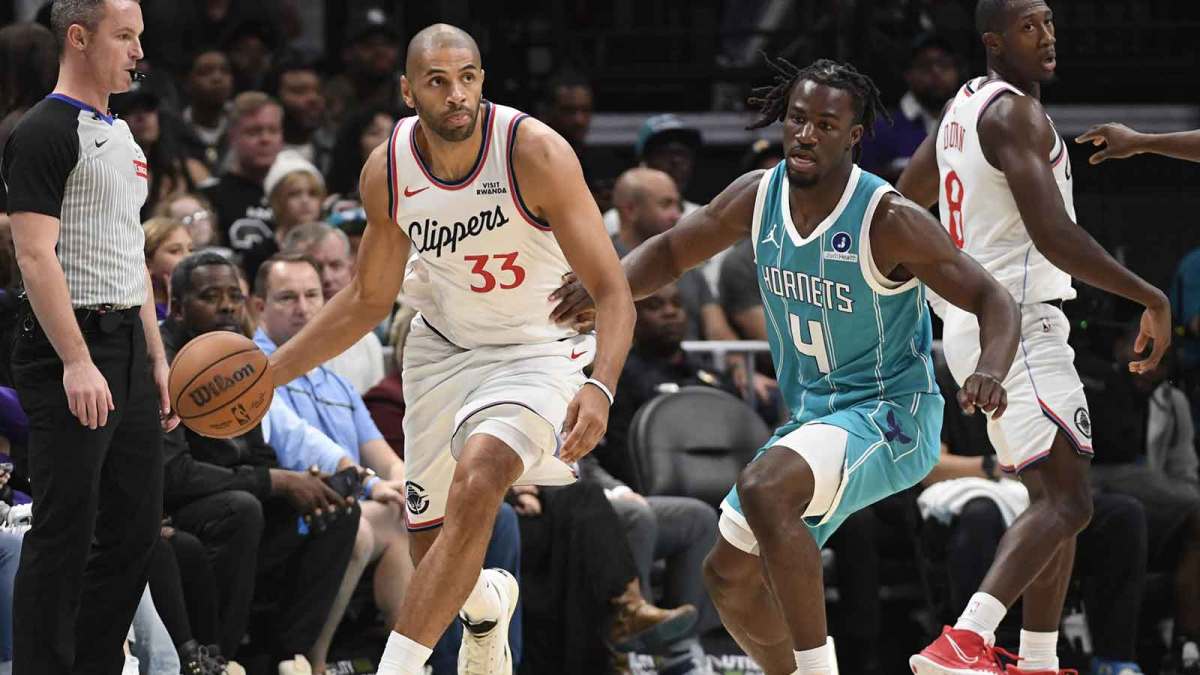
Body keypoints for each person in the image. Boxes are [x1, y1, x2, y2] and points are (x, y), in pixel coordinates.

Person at [551, 56, 1020, 675]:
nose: (806, 133)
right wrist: (605, 283)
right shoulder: (757, 194)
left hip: (889, 414)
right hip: (814, 421)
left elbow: (994, 298)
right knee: (727, 575)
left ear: (854, 137)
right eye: (798, 119)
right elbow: (670, 252)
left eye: (826, 125)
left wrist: (989, 366)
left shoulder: (889, 220)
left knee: (764, 487)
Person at [266, 24, 635, 675]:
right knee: (429, 550)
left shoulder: (536, 153)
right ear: (409, 91)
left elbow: (612, 290)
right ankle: (488, 599)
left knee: (483, 472)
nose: (456, 94)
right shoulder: (388, 170)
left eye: (467, 77)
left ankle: (396, 667)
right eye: (437, 81)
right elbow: (365, 299)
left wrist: (600, 386)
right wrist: (268, 375)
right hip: (441, 349)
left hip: (536, 348)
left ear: (482, 81)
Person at [896, 0, 1173, 672]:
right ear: (994, 41)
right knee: (1068, 498)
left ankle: (1039, 659)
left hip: (973, 325)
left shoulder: (962, 105)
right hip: (1017, 322)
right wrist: (1150, 295)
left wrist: (948, 276)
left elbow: (905, 198)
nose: (1046, 35)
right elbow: (1055, 235)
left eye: (1049, 20)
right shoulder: (1017, 113)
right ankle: (964, 638)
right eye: (1028, 26)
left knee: (1055, 499)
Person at [0, 0, 181, 671]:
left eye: (140, 37)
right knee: (63, 531)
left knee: (135, 533)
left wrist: (156, 357)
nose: (138, 51)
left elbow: (129, 251)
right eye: (125, 36)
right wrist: (77, 359)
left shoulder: (124, 136)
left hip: (128, 348)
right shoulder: (44, 130)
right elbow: (35, 254)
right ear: (78, 37)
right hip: (66, 346)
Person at [160, 251, 360, 670]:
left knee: (337, 508)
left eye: (235, 295)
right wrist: (272, 481)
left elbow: (257, 452)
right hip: (179, 513)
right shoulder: (160, 364)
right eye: (211, 296)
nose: (228, 305)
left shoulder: (238, 355)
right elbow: (172, 475)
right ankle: (221, 660)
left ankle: (288, 658)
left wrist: (299, 481)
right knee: (243, 509)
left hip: (237, 500)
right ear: (177, 307)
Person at [281, 223, 386, 392]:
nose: (327, 278)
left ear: (350, 268)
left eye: (336, 266)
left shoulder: (367, 342)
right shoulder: (276, 339)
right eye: (316, 267)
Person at [858, 33, 962, 183]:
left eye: (944, 64)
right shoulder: (880, 128)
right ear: (908, 74)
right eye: (925, 66)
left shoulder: (969, 123)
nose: (936, 72)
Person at [143, 216, 193, 320]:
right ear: (148, 264)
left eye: (191, 249)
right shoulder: (141, 312)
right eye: (175, 251)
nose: (189, 257)